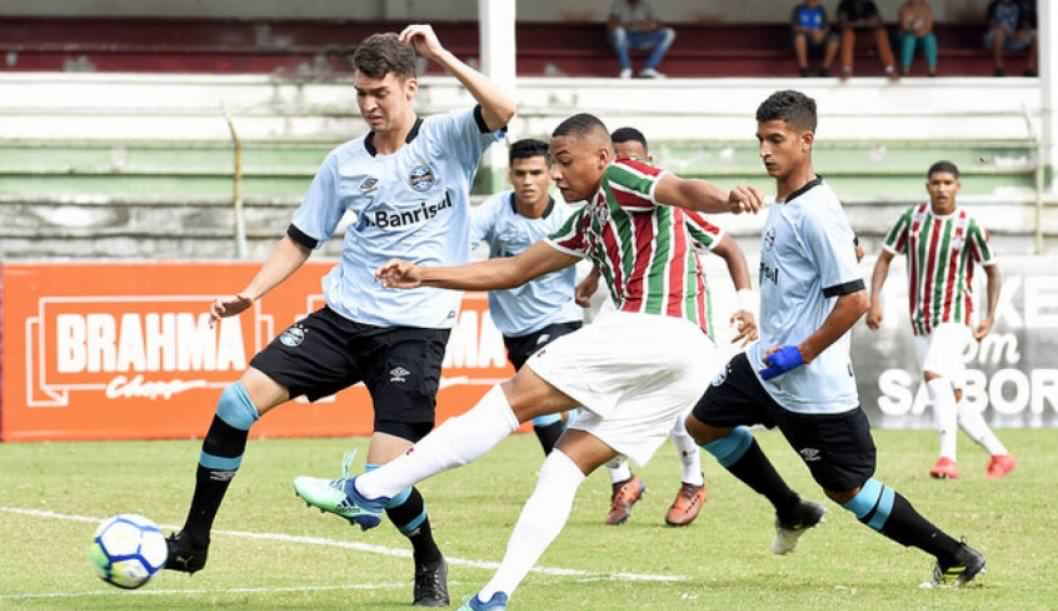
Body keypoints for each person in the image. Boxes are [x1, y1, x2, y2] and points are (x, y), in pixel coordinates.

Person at [293, 112, 763, 610]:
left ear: (601, 158)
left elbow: (685, 190)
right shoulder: (588, 220)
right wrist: (426, 275)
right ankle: (496, 594)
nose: (557, 174)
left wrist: (728, 200)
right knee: (562, 468)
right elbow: (515, 269)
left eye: (563, 162)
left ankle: (367, 489)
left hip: (653, 327)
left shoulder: (623, 177)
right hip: (687, 358)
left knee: (507, 402)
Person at [162, 25, 514, 608]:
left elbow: (503, 108)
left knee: (384, 480)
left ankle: (428, 557)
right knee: (234, 402)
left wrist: (443, 52)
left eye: (381, 93)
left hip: (416, 330)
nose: (370, 105)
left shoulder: (452, 138)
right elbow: (300, 239)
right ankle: (194, 540)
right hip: (343, 319)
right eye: (360, 94)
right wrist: (250, 294)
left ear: (410, 88)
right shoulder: (343, 163)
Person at [684, 90, 986, 589]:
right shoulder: (784, 201)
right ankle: (790, 508)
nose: (765, 150)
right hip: (765, 365)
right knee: (701, 425)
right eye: (760, 139)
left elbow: (855, 301)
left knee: (849, 490)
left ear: (806, 141)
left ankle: (954, 555)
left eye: (776, 139)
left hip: (810, 383)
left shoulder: (817, 211)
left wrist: (799, 352)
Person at [580, 126, 758, 527]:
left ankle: (693, 482)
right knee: (592, 394)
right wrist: (593, 277)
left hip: (673, 313)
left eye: (636, 160)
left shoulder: (670, 207)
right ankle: (622, 480)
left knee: (677, 401)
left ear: (650, 163)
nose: (628, 168)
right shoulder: (603, 203)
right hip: (622, 310)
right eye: (620, 160)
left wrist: (747, 305)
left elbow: (729, 248)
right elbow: (604, 241)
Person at [867, 161, 1016, 480]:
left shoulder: (969, 226)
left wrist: (989, 316)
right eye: (936, 182)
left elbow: (992, 270)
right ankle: (1000, 454)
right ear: (928, 186)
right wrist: (874, 299)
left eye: (948, 182)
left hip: (956, 316)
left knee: (934, 373)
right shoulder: (912, 220)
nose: (942, 188)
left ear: (958, 187)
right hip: (921, 319)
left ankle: (947, 458)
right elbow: (884, 258)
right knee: (951, 392)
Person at [470, 138, 581, 456]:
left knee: (547, 395)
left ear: (550, 174)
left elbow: (599, 254)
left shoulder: (564, 217)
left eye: (535, 172)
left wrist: (591, 283)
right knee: (545, 404)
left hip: (559, 318)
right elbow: (462, 243)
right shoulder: (496, 209)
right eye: (520, 173)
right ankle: (617, 475)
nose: (528, 181)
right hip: (515, 326)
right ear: (510, 175)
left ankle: (565, 471)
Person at [607, 0, 676, 79]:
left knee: (669, 33)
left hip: (642, 37)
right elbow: (611, 24)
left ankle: (649, 68)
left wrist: (646, 26)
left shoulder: (646, 5)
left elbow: (656, 23)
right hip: (624, 38)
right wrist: (630, 25)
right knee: (619, 31)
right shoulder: (618, 4)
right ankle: (626, 68)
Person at [837, 0, 898, 79]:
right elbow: (843, 23)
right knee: (848, 33)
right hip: (853, 41)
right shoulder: (844, 4)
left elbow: (878, 21)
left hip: (868, 39)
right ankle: (846, 70)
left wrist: (857, 23)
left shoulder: (869, 4)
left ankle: (890, 69)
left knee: (880, 33)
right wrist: (864, 22)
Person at [984, 0, 1038, 77]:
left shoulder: (1020, 6)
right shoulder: (993, 5)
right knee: (999, 33)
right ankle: (999, 69)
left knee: (1035, 34)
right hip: (994, 38)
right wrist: (1009, 32)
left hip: (1013, 37)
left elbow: (1024, 23)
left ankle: (1030, 68)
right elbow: (992, 23)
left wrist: (1022, 30)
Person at [791, 0, 840, 77]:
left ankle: (825, 68)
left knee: (834, 38)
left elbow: (826, 27)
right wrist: (809, 31)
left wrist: (821, 34)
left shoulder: (821, 9)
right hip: (805, 39)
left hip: (820, 39)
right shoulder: (798, 9)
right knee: (800, 38)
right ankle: (804, 69)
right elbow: (795, 27)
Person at [898, 0, 938, 76]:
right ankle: (905, 69)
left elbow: (929, 27)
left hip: (922, 37)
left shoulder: (927, 8)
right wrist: (914, 30)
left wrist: (920, 31)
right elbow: (905, 27)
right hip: (908, 38)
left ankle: (932, 69)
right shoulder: (904, 8)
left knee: (930, 38)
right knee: (910, 39)